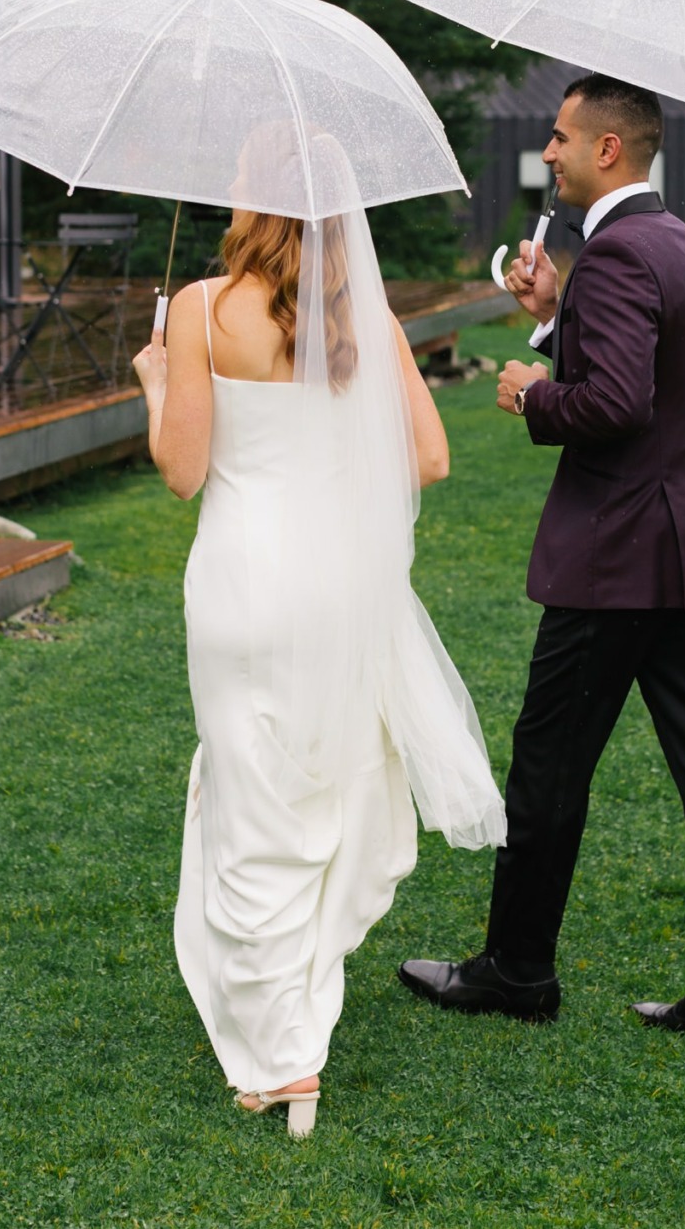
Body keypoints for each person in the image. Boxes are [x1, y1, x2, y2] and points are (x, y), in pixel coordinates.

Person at [399, 73, 685, 1044]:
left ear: (607, 148)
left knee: (546, 765)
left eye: (561, 137)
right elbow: (638, 365)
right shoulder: (676, 243)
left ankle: (516, 971)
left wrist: (530, 388)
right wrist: (550, 312)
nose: (550, 152)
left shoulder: (615, 255)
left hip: (615, 555)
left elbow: (614, 404)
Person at [133, 184, 505, 1138]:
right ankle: (291, 1036)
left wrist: (156, 384)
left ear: (248, 208)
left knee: (251, 797)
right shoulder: (364, 320)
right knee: (318, 794)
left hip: (240, 587)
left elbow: (182, 473)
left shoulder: (199, 309)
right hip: (336, 590)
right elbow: (428, 460)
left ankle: (284, 1059)